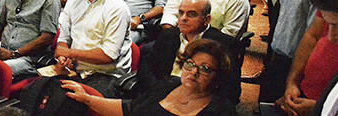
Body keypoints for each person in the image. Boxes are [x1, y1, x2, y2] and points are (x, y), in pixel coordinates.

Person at [62, 39, 236, 115]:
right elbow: (129, 108)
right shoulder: (169, 85)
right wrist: (87, 99)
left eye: (205, 69)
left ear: (217, 76)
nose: (194, 72)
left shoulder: (220, 110)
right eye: (190, 64)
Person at [138, 0, 240, 102]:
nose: (183, 18)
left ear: (207, 19)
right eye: (181, 13)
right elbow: (147, 65)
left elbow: (231, 90)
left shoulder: (224, 44)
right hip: (162, 94)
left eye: (191, 14)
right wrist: (156, 89)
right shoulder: (169, 35)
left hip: (199, 101)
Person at [56, 0, 132, 96]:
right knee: (37, 92)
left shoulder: (117, 8)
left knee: (67, 106)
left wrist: (69, 53)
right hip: (74, 71)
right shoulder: (73, 1)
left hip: (105, 76)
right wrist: (63, 57)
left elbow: (108, 56)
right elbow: (63, 39)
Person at [274, 0, 338, 115]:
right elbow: (312, 36)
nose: (331, 37)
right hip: (304, 93)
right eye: (330, 25)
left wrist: (322, 108)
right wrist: (292, 83)